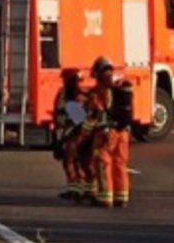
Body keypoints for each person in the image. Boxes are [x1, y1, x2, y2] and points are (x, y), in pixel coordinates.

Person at [91, 56, 134, 207]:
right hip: (123, 132)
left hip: (106, 132)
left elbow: (95, 112)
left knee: (103, 162)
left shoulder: (101, 90)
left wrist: (84, 133)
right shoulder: (120, 86)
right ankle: (122, 196)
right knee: (120, 163)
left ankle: (105, 197)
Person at [51, 67, 92, 200]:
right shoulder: (65, 94)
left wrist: (71, 136)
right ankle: (76, 189)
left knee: (74, 161)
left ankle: (80, 189)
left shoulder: (76, 96)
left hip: (75, 134)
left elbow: (79, 120)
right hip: (67, 132)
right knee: (71, 162)